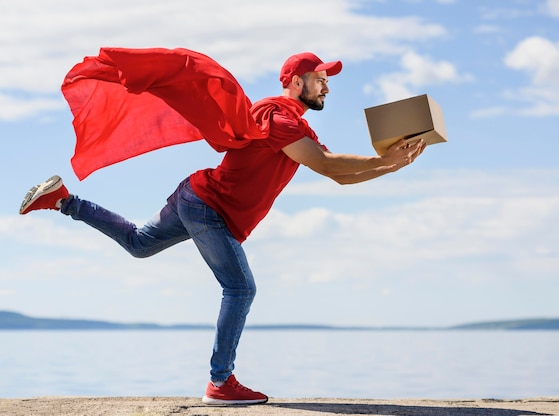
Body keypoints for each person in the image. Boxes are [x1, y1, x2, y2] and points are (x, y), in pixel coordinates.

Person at [19, 51, 426, 405]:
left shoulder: (298, 125)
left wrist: (391, 165)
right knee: (241, 288)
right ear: (296, 81)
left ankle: (62, 200)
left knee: (139, 245)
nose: (327, 88)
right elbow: (327, 164)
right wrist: (386, 162)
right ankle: (220, 382)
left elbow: (338, 174)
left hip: (196, 198)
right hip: (209, 207)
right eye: (321, 80)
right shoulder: (277, 116)